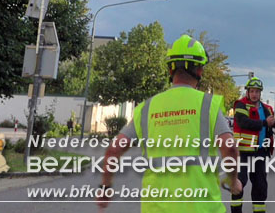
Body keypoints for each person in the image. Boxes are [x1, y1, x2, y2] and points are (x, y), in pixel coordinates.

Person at [98, 34, 242, 212]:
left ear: (170, 70)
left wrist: (105, 188)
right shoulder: (208, 104)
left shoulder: (146, 108)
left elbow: (113, 150)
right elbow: (230, 148)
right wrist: (233, 180)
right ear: (199, 71)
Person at [231, 76, 275, 213]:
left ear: (260, 93)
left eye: (257, 92)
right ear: (247, 92)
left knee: (260, 186)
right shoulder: (241, 105)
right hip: (243, 153)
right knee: (240, 183)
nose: (254, 94)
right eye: (252, 91)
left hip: (260, 153)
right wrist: (264, 123)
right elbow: (244, 122)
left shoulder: (266, 108)